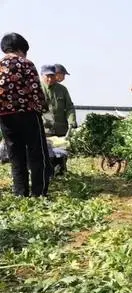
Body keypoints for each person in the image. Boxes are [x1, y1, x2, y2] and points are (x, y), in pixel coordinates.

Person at [0, 33, 52, 197]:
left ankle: (20, 193)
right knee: (37, 154)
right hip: (28, 114)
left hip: (5, 117)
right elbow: (35, 89)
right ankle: (39, 193)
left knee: (16, 156)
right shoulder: (26, 64)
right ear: (21, 49)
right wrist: (42, 109)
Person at [41, 64, 77, 138]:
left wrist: (72, 121)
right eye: (47, 76)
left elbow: (69, 107)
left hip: (62, 131)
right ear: (42, 76)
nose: (50, 79)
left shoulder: (62, 89)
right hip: (44, 131)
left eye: (52, 76)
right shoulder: (37, 88)